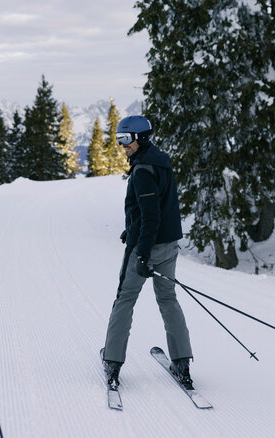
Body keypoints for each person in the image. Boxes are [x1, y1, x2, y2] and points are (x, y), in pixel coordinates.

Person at [101, 115, 194, 389]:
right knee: (168, 299)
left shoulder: (142, 170)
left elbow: (151, 215)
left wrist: (141, 253)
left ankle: (113, 361)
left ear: (140, 138)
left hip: (148, 246)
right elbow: (157, 209)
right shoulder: (161, 161)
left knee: (125, 299)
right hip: (168, 245)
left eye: (126, 139)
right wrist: (131, 229)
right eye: (119, 139)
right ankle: (182, 361)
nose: (122, 145)